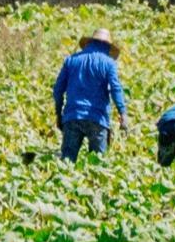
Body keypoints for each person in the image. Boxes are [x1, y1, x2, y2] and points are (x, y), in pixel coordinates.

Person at [53, 27, 127, 161]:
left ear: (89, 43)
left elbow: (58, 89)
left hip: (72, 116)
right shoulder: (109, 63)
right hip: (97, 119)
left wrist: (59, 113)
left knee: (67, 162)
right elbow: (116, 89)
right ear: (108, 46)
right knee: (97, 166)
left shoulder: (71, 60)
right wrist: (123, 113)